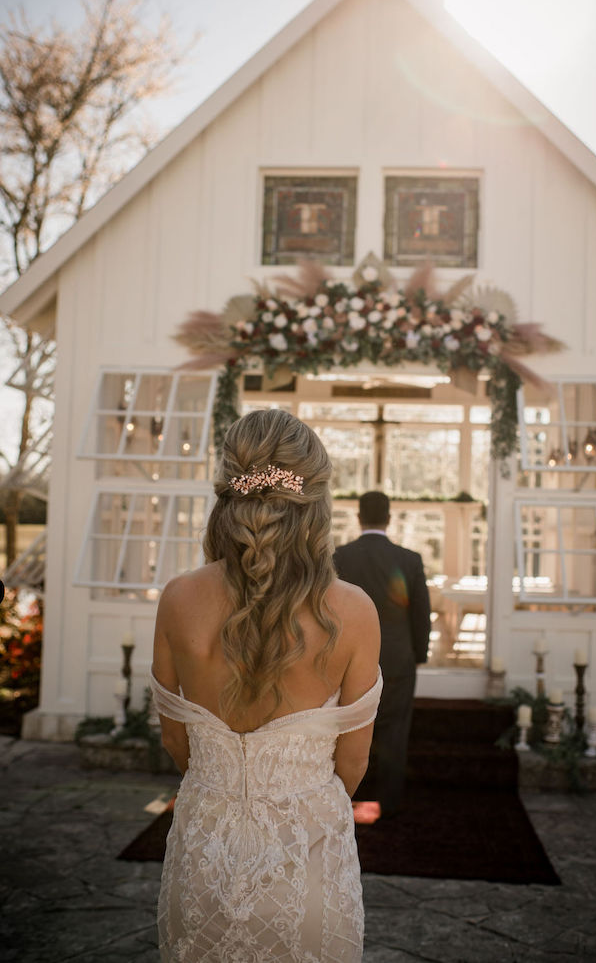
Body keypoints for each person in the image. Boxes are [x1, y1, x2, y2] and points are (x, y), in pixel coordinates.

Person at [151, 408, 381, 963]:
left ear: (227, 493)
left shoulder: (179, 599)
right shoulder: (353, 611)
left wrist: (223, 789)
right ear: (317, 502)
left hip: (203, 856)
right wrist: (293, 803)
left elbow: (176, 743)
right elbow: (352, 765)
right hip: (309, 863)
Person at [333, 491, 430, 819]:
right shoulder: (409, 559)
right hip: (396, 657)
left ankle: (344, 796)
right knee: (394, 730)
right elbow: (420, 613)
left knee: (344, 727)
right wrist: (417, 654)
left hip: (345, 659)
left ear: (359, 518)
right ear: (389, 519)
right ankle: (388, 803)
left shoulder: (339, 557)